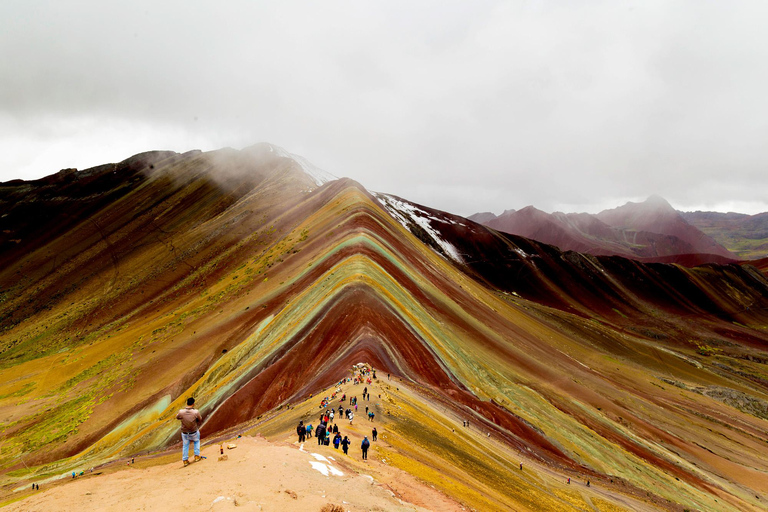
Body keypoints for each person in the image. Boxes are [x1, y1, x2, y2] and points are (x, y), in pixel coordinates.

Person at [176, 397, 203, 466]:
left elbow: (177, 417)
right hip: (193, 431)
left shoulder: (181, 412)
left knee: (185, 446)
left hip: (184, 432)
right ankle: (196, 456)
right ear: (193, 404)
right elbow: (200, 419)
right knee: (196, 442)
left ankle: (185, 460)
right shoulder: (195, 412)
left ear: (187, 403)